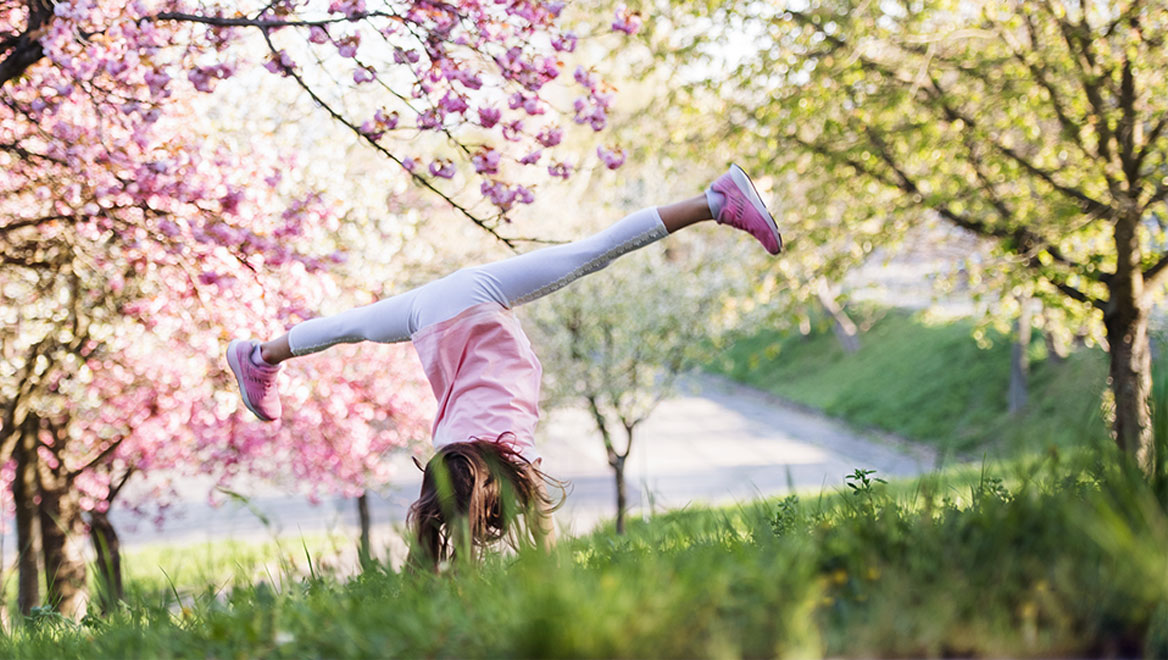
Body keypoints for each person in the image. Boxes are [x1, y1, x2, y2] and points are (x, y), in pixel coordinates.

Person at [226, 164, 781, 566]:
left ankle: (717, 200)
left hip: (472, 298)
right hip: (428, 313)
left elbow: (542, 532)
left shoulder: (514, 444)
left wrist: (541, 567)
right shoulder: (445, 450)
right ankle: (262, 354)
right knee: (352, 325)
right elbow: (443, 509)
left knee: (591, 253)